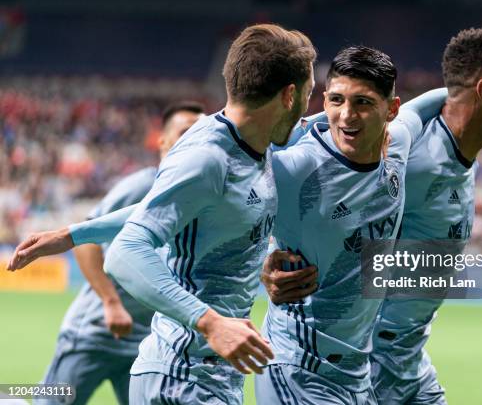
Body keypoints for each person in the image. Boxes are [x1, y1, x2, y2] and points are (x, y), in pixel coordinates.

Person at [9, 23, 317, 405]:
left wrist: (74, 233)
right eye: (309, 95)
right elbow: (124, 253)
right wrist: (210, 322)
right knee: (50, 399)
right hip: (178, 375)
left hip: (205, 371)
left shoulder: (254, 144)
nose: (309, 108)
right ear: (289, 95)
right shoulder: (207, 156)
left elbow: (164, 205)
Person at [255, 46, 445, 405]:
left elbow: (426, 107)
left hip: (356, 374)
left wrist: (470, 88)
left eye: (363, 103)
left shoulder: (398, 142)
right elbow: (203, 209)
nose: (346, 116)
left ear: (391, 109)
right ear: (323, 100)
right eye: (337, 100)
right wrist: (261, 259)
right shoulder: (294, 170)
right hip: (300, 368)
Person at [369, 27, 482, 405]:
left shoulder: (464, 157)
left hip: (409, 366)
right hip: (366, 370)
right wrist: (281, 256)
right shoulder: (410, 160)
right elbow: (327, 201)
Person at [35, 102, 202, 405]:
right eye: (185, 132)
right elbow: (85, 238)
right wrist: (111, 302)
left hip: (145, 341)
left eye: (201, 132)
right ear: (162, 141)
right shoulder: (143, 185)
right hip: (95, 332)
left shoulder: (197, 193)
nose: (195, 139)